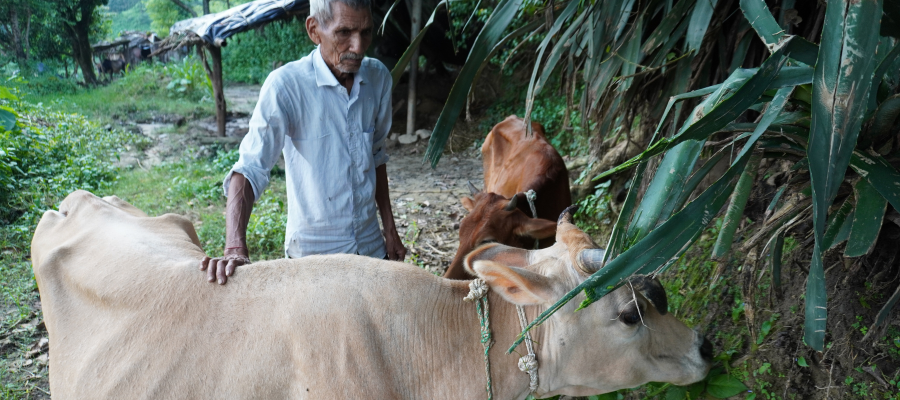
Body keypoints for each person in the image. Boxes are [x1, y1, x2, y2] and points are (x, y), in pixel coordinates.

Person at [199, 0, 407, 284]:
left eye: (366, 32)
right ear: (314, 30)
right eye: (344, 32)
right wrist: (235, 247)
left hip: (371, 249)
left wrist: (390, 231)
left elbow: (376, 154)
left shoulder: (378, 78)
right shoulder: (286, 87)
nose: (358, 47)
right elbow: (249, 169)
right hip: (313, 259)